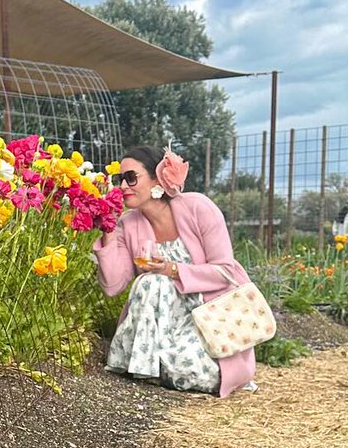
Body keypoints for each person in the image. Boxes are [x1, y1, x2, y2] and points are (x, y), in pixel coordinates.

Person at [93, 145, 256, 397]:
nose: (123, 186)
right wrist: (108, 230)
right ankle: (148, 365)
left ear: (157, 179)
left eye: (131, 178)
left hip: (206, 315)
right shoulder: (128, 224)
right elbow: (113, 285)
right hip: (159, 319)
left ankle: (160, 366)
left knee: (199, 374)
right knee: (151, 282)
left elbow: (225, 271)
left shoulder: (198, 207)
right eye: (120, 179)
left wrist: (171, 269)